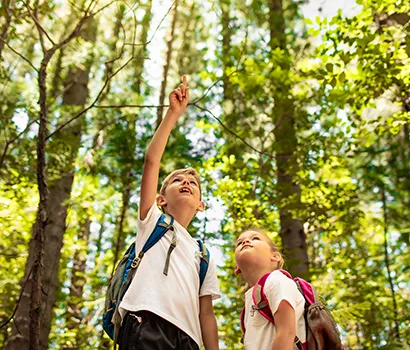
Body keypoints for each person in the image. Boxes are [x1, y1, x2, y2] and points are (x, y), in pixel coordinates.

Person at [118, 76, 220, 350]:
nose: (186, 183)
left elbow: (206, 315)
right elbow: (151, 161)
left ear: (200, 205)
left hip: (189, 340)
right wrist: (172, 115)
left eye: (193, 184)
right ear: (161, 199)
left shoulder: (203, 255)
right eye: (177, 181)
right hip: (146, 321)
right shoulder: (152, 222)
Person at [234, 229, 306, 350]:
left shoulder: (276, 280)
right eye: (239, 243)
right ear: (237, 268)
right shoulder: (250, 299)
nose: (245, 241)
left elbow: (286, 332)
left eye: (255, 238)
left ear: (275, 256)